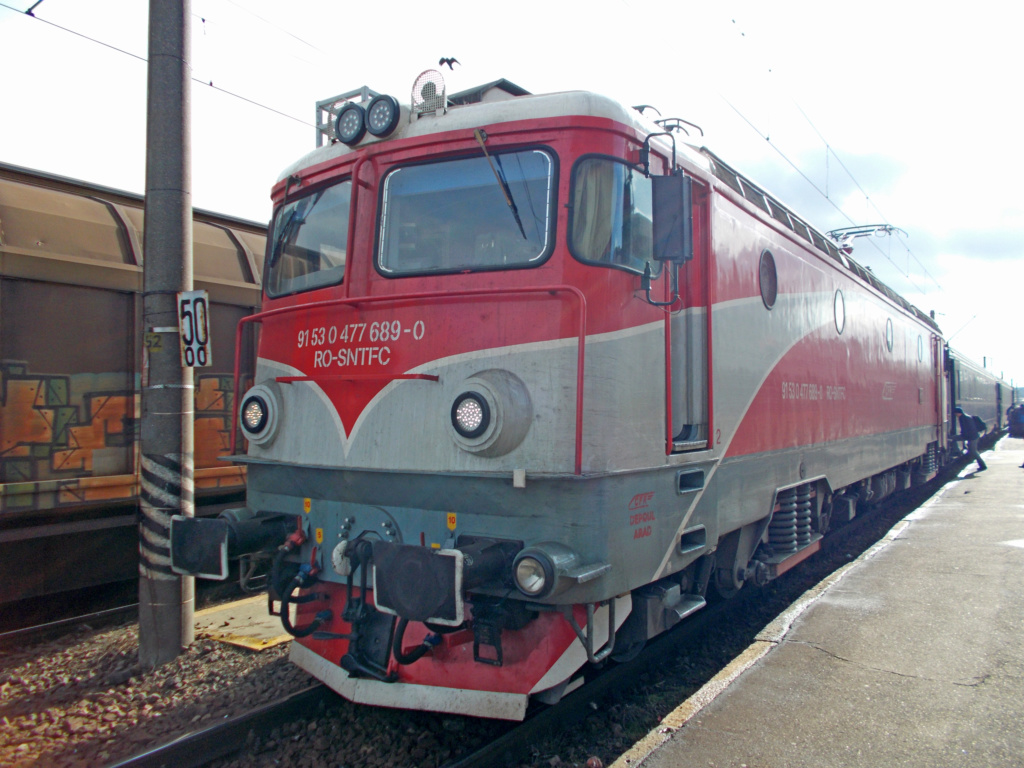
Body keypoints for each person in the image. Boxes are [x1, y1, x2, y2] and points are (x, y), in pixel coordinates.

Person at [954, 406, 987, 472]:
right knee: (972, 451)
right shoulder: (965, 417)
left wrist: (963, 436)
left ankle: (983, 466)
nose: (955, 415)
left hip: (973, 437)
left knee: (974, 452)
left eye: (955, 413)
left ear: (958, 413)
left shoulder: (963, 418)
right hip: (973, 436)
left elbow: (967, 429)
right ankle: (981, 465)